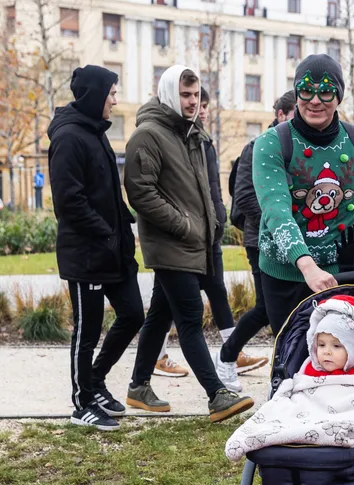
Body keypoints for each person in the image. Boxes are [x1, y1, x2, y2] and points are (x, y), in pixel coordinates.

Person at [123, 64, 253, 423]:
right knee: (191, 319)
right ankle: (217, 395)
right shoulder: (148, 135)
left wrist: (214, 220)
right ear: (168, 94)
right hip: (171, 243)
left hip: (196, 241)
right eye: (185, 95)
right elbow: (140, 192)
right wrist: (183, 225)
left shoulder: (191, 132)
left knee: (160, 316)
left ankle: (138, 387)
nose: (192, 102)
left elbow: (207, 184)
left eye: (196, 95)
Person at [252, 54, 354, 334]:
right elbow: (276, 210)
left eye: (325, 91)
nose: (315, 100)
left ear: (338, 96)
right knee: (291, 360)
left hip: (342, 271)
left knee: (339, 357)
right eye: (306, 90)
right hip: (285, 273)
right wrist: (307, 265)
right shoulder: (271, 143)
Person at [47, 65, 145, 431]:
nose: (115, 100)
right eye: (111, 93)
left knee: (133, 313)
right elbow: (68, 201)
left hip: (113, 250)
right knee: (86, 332)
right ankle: (81, 402)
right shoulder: (70, 137)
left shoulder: (94, 132)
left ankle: (95, 379)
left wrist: (124, 222)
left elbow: (106, 192)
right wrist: (105, 232)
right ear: (94, 96)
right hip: (86, 254)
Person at [224, 295, 354, 463]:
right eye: (322, 345)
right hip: (307, 410)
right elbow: (298, 395)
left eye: (337, 346)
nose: (326, 351)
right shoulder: (308, 369)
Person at [215, 91, 297, 379]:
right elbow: (246, 197)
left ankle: (290, 368)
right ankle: (226, 357)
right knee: (267, 309)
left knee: (292, 309)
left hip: (299, 245)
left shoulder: (303, 147)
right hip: (262, 241)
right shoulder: (259, 147)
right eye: (297, 112)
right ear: (281, 114)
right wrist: (282, 222)